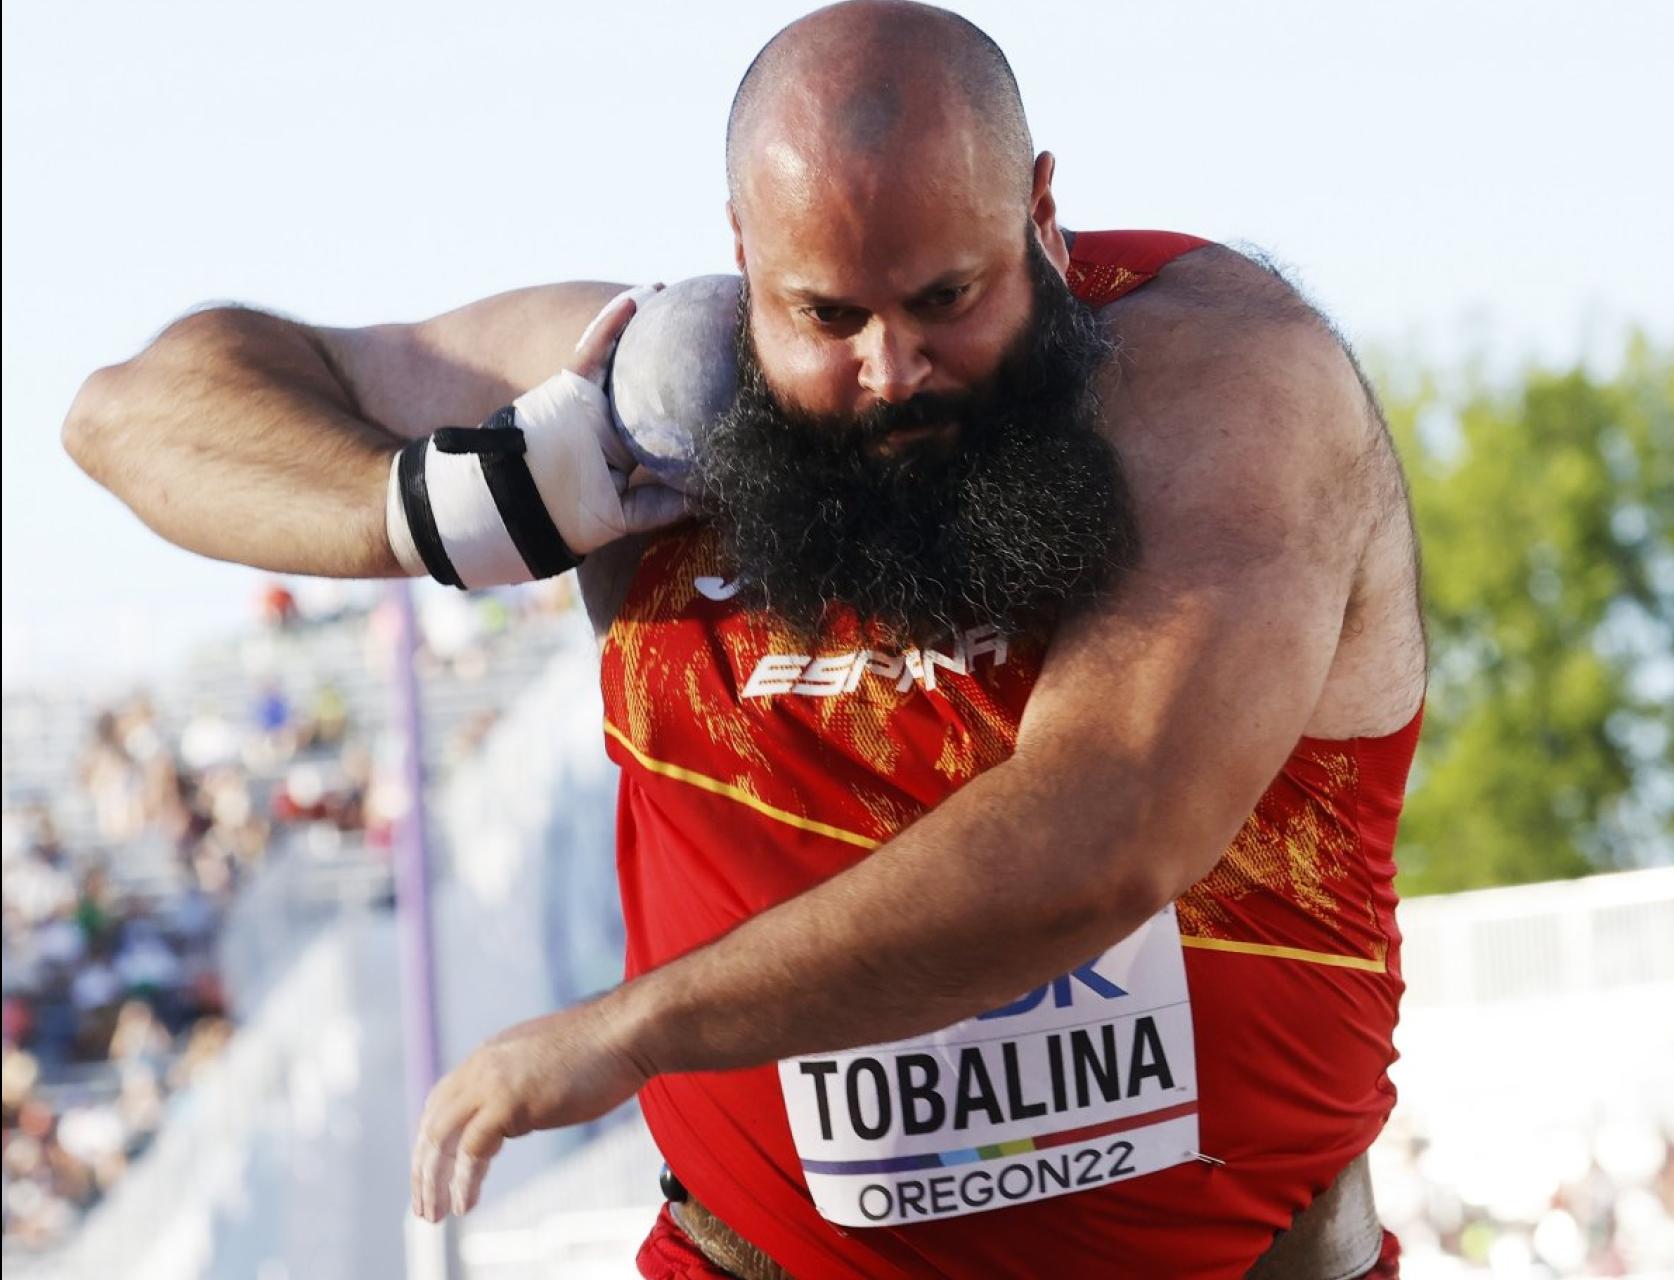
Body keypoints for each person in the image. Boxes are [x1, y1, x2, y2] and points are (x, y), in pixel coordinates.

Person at [62, 3, 1426, 1276]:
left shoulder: (1225, 388)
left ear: (1043, 218)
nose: (892, 373)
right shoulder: (646, 395)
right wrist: (442, 505)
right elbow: (128, 413)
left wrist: (637, 1027)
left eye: (949, 299)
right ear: (745, 262)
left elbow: (1103, 834)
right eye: (828, 316)